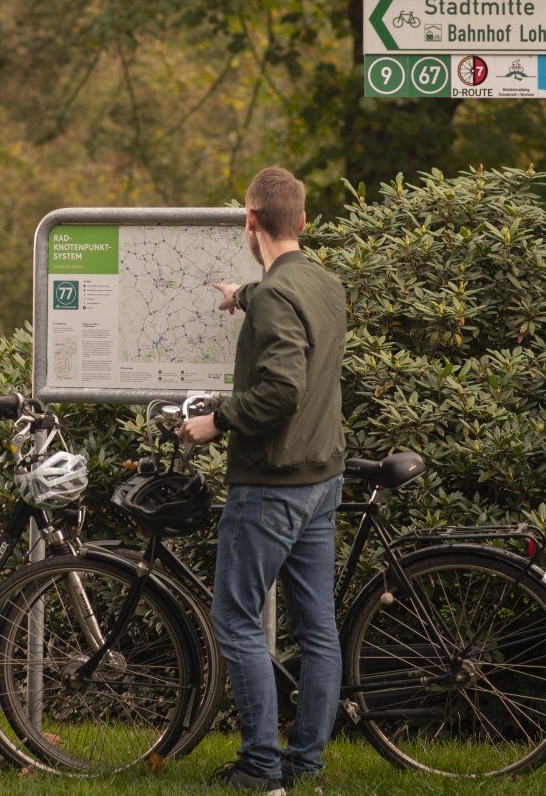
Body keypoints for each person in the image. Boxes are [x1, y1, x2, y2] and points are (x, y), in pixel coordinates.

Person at [179, 167, 347, 794]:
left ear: (251, 223)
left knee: (235, 619)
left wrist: (216, 422)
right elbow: (287, 308)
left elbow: (281, 386)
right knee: (317, 625)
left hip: (272, 483)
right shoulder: (324, 284)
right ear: (302, 223)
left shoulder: (278, 295)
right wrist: (244, 293)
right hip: (321, 479)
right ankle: (304, 765)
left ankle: (260, 768)